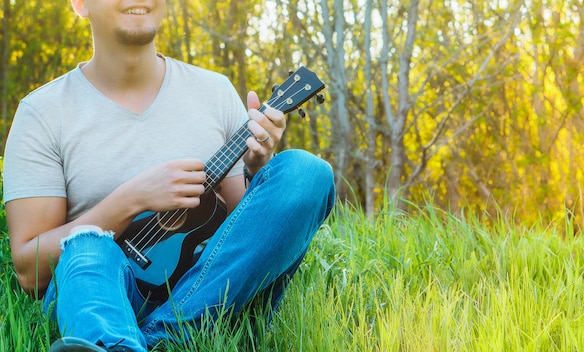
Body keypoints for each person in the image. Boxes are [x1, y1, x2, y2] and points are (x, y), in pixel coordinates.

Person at [2, 0, 335, 351]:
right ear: (81, 4)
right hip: (106, 292)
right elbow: (30, 270)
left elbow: (243, 241)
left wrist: (256, 166)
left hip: (205, 291)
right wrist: (132, 199)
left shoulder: (214, 91)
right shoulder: (43, 112)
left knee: (307, 172)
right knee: (86, 246)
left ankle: (154, 341)